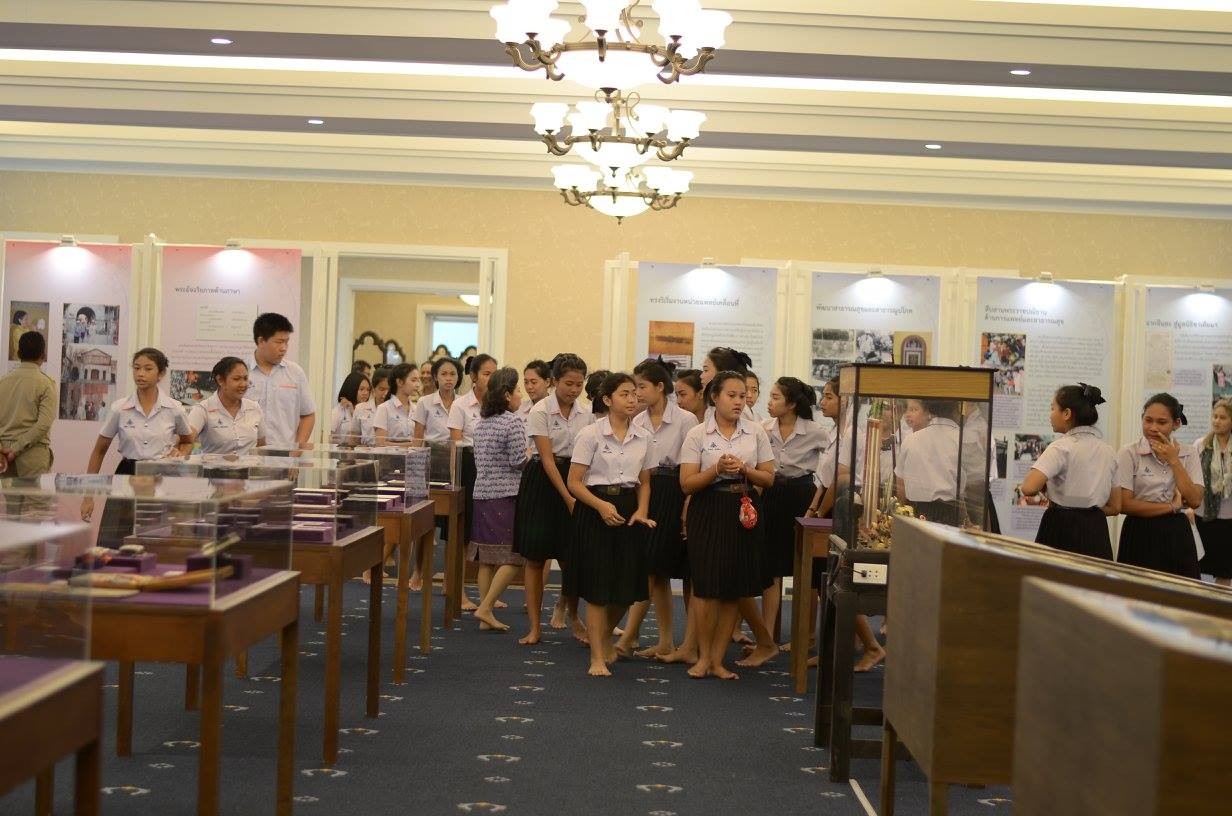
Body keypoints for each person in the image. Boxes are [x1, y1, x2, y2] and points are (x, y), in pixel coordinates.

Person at [679, 371, 776, 680]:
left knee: (734, 587)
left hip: (744, 507)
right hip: (709, 507)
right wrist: (716, 469)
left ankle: (718, 660)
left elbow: (769, 478)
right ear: (714, 397)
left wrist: (745, 469)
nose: (739, 401)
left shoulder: (755, 432)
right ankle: (703, 657)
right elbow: (686, 484)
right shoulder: (698, 434)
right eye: (731, 395)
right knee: (706, 586)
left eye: (743, 396)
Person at [567, 372, 657, 676]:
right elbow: (574, 482)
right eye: (624, 394)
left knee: (627, 587)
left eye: (634, 393)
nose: (632, 399)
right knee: (597, 586)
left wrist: (642, 510)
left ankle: (603, 635)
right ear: (607, 399)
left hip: (629, 508)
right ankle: (596, 657)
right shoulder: (590, 434)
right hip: (595, 506)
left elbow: (645, 482)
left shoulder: (643, 436)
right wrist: (601, 506)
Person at [614, 358, 698, 660]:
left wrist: (687, 504)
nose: (636, 393)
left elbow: (693, 464)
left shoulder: (686, 420)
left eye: (642, 387)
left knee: (651, 568)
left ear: (660, 387)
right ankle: (664, 640)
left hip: (675, 490)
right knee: (656, 571)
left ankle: (628, 636)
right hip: (646, 489)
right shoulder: (637, 420)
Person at [805, 376, 885, 672]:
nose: (823, 402)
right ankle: (841, 646)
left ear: (846, 400)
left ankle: (872, 646)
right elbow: (824, 479)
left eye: (829, 396)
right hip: (830, 505)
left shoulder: (852, 433)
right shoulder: (836, 431)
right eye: (823, 396)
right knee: (827, 580)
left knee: (838, 580)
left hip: (845, 506)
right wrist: (813, 508)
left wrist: (820, 512)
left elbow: (841, 479)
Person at [514, 353, 592, 645]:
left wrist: (577, 494)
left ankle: (573, 616)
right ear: (554, 381)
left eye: (579, 384)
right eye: (569, 383)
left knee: (572, 557)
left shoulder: (586, 413)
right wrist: (568, 497)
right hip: (543, 482)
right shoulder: (541, 410)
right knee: (536, 558)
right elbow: (547, 459)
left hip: (575, 478)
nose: (574, 390)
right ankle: (535, 626)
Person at [760, 377, 828, 640]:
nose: (769, 402)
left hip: (802, 496)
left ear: (791, 405)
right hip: (771, 493)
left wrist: (817, 503)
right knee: (770, 565)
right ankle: (767, 635)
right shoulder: (764, 428)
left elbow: (832, 465)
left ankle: (805, 635)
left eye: (775, 397)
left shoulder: (815, 431)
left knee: (804, 567)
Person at [1020, 384, 1119, 559]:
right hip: (1096, 529)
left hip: (1061, 526)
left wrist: (1047, 492)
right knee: (1091, 576)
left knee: (1054, 575)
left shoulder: (1060, 447)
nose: (1050, 414)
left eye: (1053, 408)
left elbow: (1028, 488)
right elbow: (1115, 507)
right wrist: (1087, 511)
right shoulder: (1109, 451)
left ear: (1066, 413)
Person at [1115, 393, 1203, 578]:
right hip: (1139, 530)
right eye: (1148, 420)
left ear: (1176, 424)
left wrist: (1174, 460)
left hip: (1177, 531)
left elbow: (1195, 500)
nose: (1153, 427)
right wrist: (1172, 506)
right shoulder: (1129, 453)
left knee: (1180, 591)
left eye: (1161, 422)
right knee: (1137, 590)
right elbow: (1124, 504)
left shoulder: (1189, 453)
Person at [469, 367, 528, 632]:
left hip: (482, 494)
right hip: (506, 495)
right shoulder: (512, 422)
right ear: (506, 394)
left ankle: (486, 613)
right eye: (518, 390)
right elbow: (518, 461)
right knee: (514, 557)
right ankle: (485, 608)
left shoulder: (482, 423)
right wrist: (531, 454)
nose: (520, 396)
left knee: (487, 558)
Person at [450, 354, 497, 609]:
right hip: (467, 467)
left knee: (488, 533)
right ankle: (458, 592)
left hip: (492, 469)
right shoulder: (460, 405)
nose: (492, 378)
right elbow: (455, 442)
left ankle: (487, 596)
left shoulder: (497, 405)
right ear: (473, 376)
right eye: (487, 373)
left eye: (494, 373)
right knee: (462, 535)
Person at [247, 313, 315, 448]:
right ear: (261, 341)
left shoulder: (295, 372)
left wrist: (297, 449)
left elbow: (308, 415)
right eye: (279, 342)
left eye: (286, 342)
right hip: (247, 456)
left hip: (285, 456)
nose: (284, 348)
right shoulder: (241, 372)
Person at [894, 400, 962, 525]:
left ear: (929, 410)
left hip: (916, 512)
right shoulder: (961, 439)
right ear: (956, 409)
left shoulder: (911, 440)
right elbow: (969, 485)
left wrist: (900, 512)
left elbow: (901, 485)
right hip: (950, 513)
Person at [0, 331, 57, 476]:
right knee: (34, 492)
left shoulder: (2, 382)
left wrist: (2, 450)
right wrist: (15, 449)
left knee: (7, 492)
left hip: (4, 458)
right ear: (43, 355)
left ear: (18, 353)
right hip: (33, 457)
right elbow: (43, 424)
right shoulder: (47, 384)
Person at [188, 357, 267, 455]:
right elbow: (187, 438)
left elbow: (261, 445)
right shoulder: (203, 409)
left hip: (249, 465)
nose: (243, 384)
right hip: (213, 465)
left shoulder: (254, 407)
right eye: (236, 379)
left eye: (245, 378)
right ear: (220, 380)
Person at [1194, 399, 1232, 586]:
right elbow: (1192, 477)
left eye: (1222, 418)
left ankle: (1220, 603)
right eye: (1215, 416)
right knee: (1197, 566)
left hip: (1229, 519)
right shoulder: (1201, 444)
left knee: (1225, 570)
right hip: (1203, 516)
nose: (1217, 421)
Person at [413, 358, 461, 442]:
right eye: (444, 374)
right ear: (435, 377)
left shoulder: (463, 402)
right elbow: (417, 439)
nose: (448, 378)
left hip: (458, 449)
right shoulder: (424, 402)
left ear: (458, 377)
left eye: (452, 374)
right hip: (432, 449)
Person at [374, 363, 419, 444]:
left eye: (418, 380)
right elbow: (380, 443)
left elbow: (420, 440)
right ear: (399, 382)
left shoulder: (416, 409)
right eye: (413, 380)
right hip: (390, 453)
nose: (417, 385)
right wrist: (410, 445)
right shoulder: (384, 408)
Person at [330, 372, 371, 444]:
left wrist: (353, 412)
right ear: (352, 388)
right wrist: (343, 442)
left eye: (368, 390)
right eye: (361, 389)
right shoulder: (340, 410)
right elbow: (326, 437)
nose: (366, 393)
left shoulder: (368, 410)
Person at [354, 366, 389, 446]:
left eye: (389, 389)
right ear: (373, 389)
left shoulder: (396, 410)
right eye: (382, 389)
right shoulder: (360, 408)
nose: (385, 393)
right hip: (365, 452)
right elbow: (354, 438)